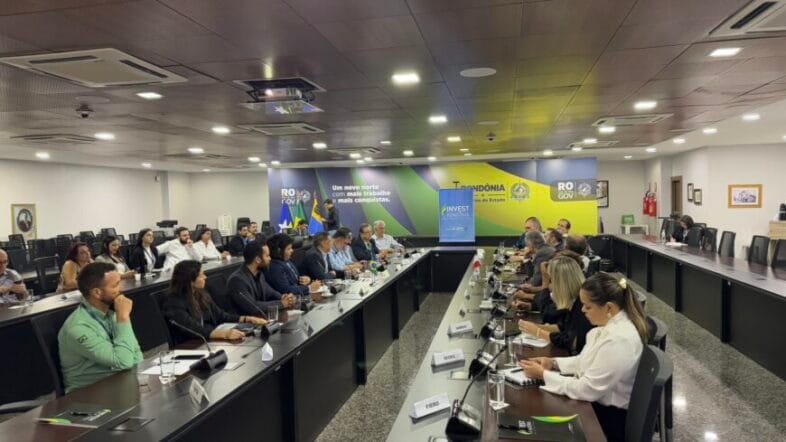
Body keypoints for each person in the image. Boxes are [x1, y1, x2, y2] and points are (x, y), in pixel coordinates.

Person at [519, 272, 649, 441]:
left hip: (608, 420)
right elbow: (585, 360)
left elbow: (587, 389)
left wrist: (543, 375)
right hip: (598, 405)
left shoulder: (618, 340)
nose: (582, 310)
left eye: (588, 307)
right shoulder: (610, 326)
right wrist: (553, 363)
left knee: (538, 422)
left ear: (609, 308)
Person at [58, 262, 143, 393]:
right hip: (88, 394)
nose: (121, 289)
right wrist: (123, 318)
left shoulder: (111, 313)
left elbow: (136, 354)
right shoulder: (77, 327)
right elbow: (124, 361)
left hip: (119, 383)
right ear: (97, 292)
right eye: (115, 285)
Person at [163, 260, 266, 345]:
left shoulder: (201, 294)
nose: (205, 277)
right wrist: (225, 334)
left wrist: (246, 319)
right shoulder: (174, 302)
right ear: (190, 280)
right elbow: (194, 329)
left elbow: (221, 316)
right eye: (201, 275)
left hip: (210, 340)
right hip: (192, 345)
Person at [518, 256, 594, 353]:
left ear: (560, 283)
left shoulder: (583, 303)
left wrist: (538, 332)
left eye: (551, 281)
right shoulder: (574, 299)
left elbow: (572, 342)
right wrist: (534, 327)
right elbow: (563, 327)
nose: (550, 286)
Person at [228, 241, 297, 315]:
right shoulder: (237, 280)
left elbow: (270, 292)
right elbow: (253, 306)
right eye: (267, 256)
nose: (270, 258)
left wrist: (283, 297)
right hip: (246, 320)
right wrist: (282, 303)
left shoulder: (259, 274)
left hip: (261, 317)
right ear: (258, 259)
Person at [263, 234, 322, 298]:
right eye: (288, 249)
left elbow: (295, 280)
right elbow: (286, 290)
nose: (292, 250)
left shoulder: (286, 260)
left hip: (300, 296)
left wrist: (307, 280)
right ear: (279, 251)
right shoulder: (275, 267)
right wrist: (309, 288)